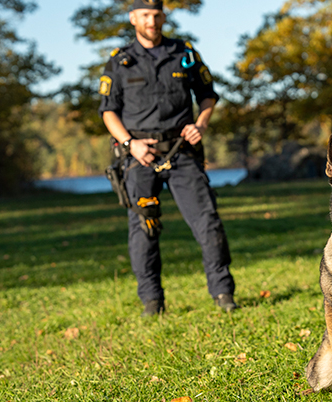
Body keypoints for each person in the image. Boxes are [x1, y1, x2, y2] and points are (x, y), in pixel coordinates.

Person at [98, 0, 237, 316]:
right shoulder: (120, 62)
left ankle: (223, 293)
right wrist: (130, 144)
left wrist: (200, 123)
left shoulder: (184, 52)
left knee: (207, 222)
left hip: (182, 153)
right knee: (144, 227)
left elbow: (207, 95)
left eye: (157, 14)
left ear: (163, 17)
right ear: (133, 18)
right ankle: (152, 301)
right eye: (145, 15)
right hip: (139, 157)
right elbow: (108, 111)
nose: (152, 20)